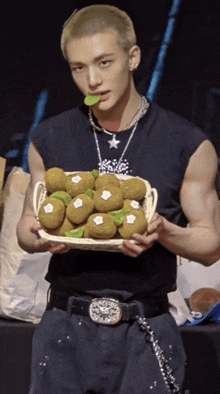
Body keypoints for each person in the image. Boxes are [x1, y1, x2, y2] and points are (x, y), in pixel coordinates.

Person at [16, 5, 220, 394]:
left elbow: (210, 243)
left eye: (104, 62)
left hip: (146, 331)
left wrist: (162, 230)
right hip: (62, 330)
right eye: (78, 68)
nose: (92, 80)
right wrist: (37, 235)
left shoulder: (187, 143)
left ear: (133, 57)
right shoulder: (49, 138)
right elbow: (26, 228)